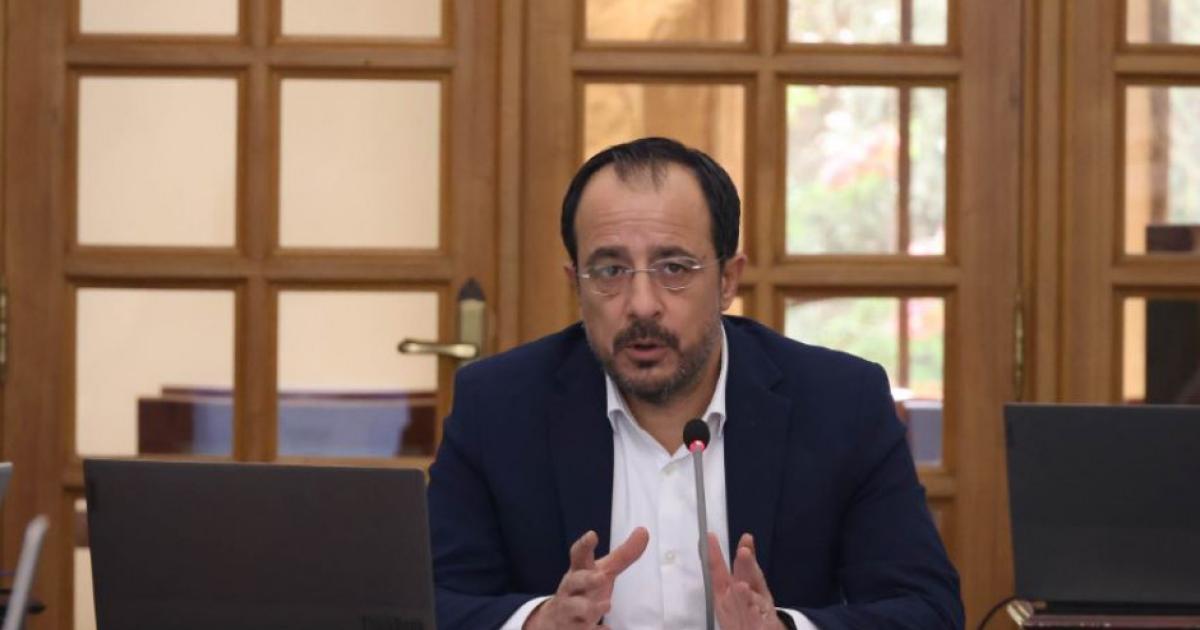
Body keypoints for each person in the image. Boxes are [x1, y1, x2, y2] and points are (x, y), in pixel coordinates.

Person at [428, 137, 964, 629]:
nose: (642, 305)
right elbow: (428, 601)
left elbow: (926, 610)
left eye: (674, 268)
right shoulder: (497, 406)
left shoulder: (841, 404)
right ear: (576, 284)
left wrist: (785, 629)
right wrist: (536, 623)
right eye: (610, 271)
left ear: (728, 280)